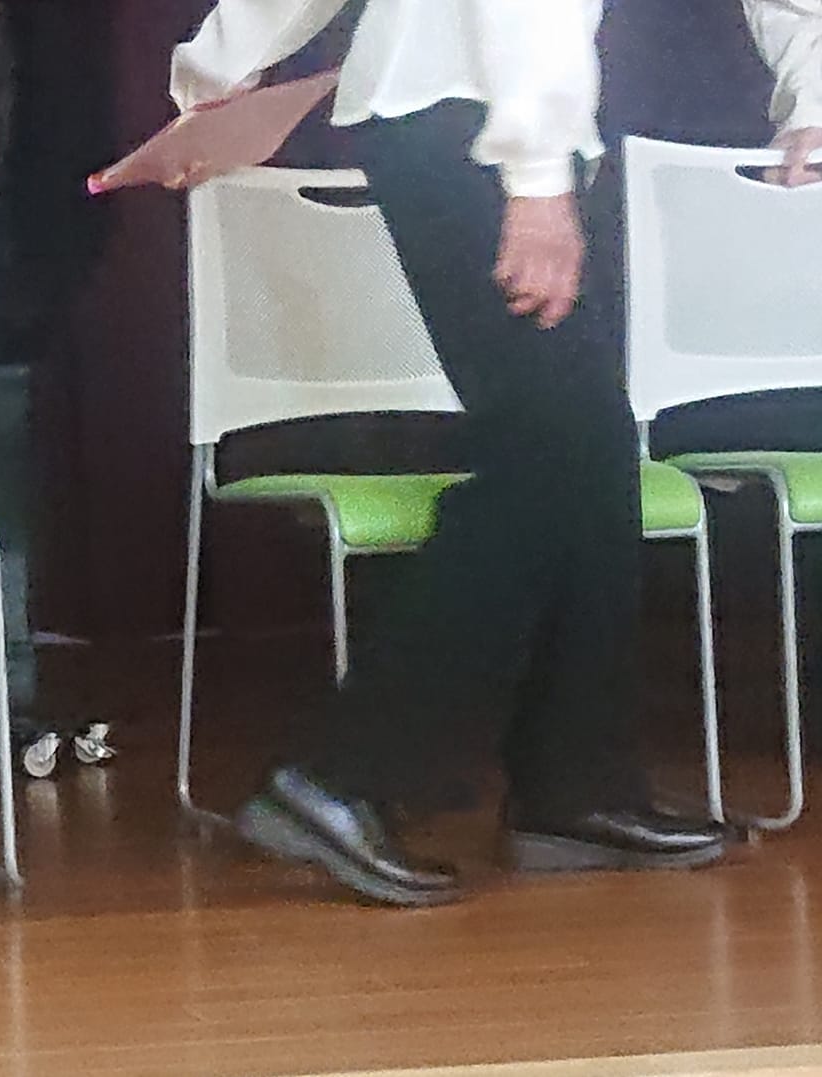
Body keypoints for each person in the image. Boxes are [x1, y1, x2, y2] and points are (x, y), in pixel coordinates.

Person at [158, 0, 822, 907]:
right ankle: (343, 773)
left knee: (587, 454)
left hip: (471, 123)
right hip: (474, 128)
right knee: (549, 457)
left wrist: (215, 67)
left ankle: (575, 787)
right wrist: (536, 182)